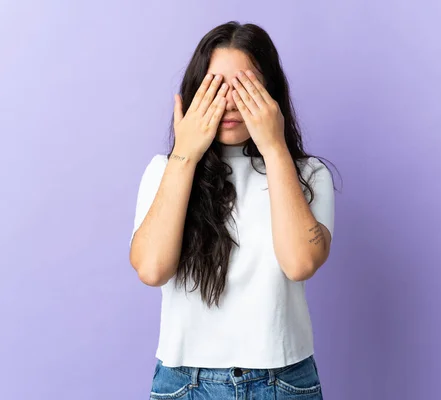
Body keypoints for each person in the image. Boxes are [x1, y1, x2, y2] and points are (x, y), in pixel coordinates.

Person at [129, 21, 336, 399]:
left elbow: (300, 262)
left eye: (245, 87)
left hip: (284, 381)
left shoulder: (309, 174)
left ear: (270, 93)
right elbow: (151, 268)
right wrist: (185, 153)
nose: (228, 102)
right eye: (215, 87)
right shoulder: (166, 171)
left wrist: (274, 147)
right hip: (185, 383)